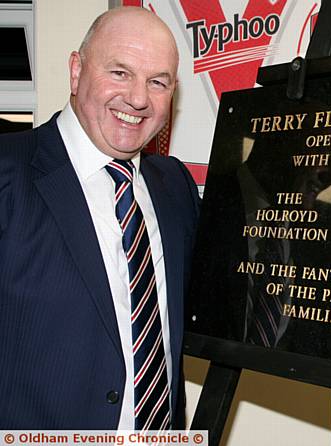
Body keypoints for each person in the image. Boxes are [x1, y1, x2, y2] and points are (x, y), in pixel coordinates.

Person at [0, 7, 199, 430]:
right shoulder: (7, 173)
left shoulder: (175, 186)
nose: (139, 99)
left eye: (158, 82)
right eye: (120, 72)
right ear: (76, 71)